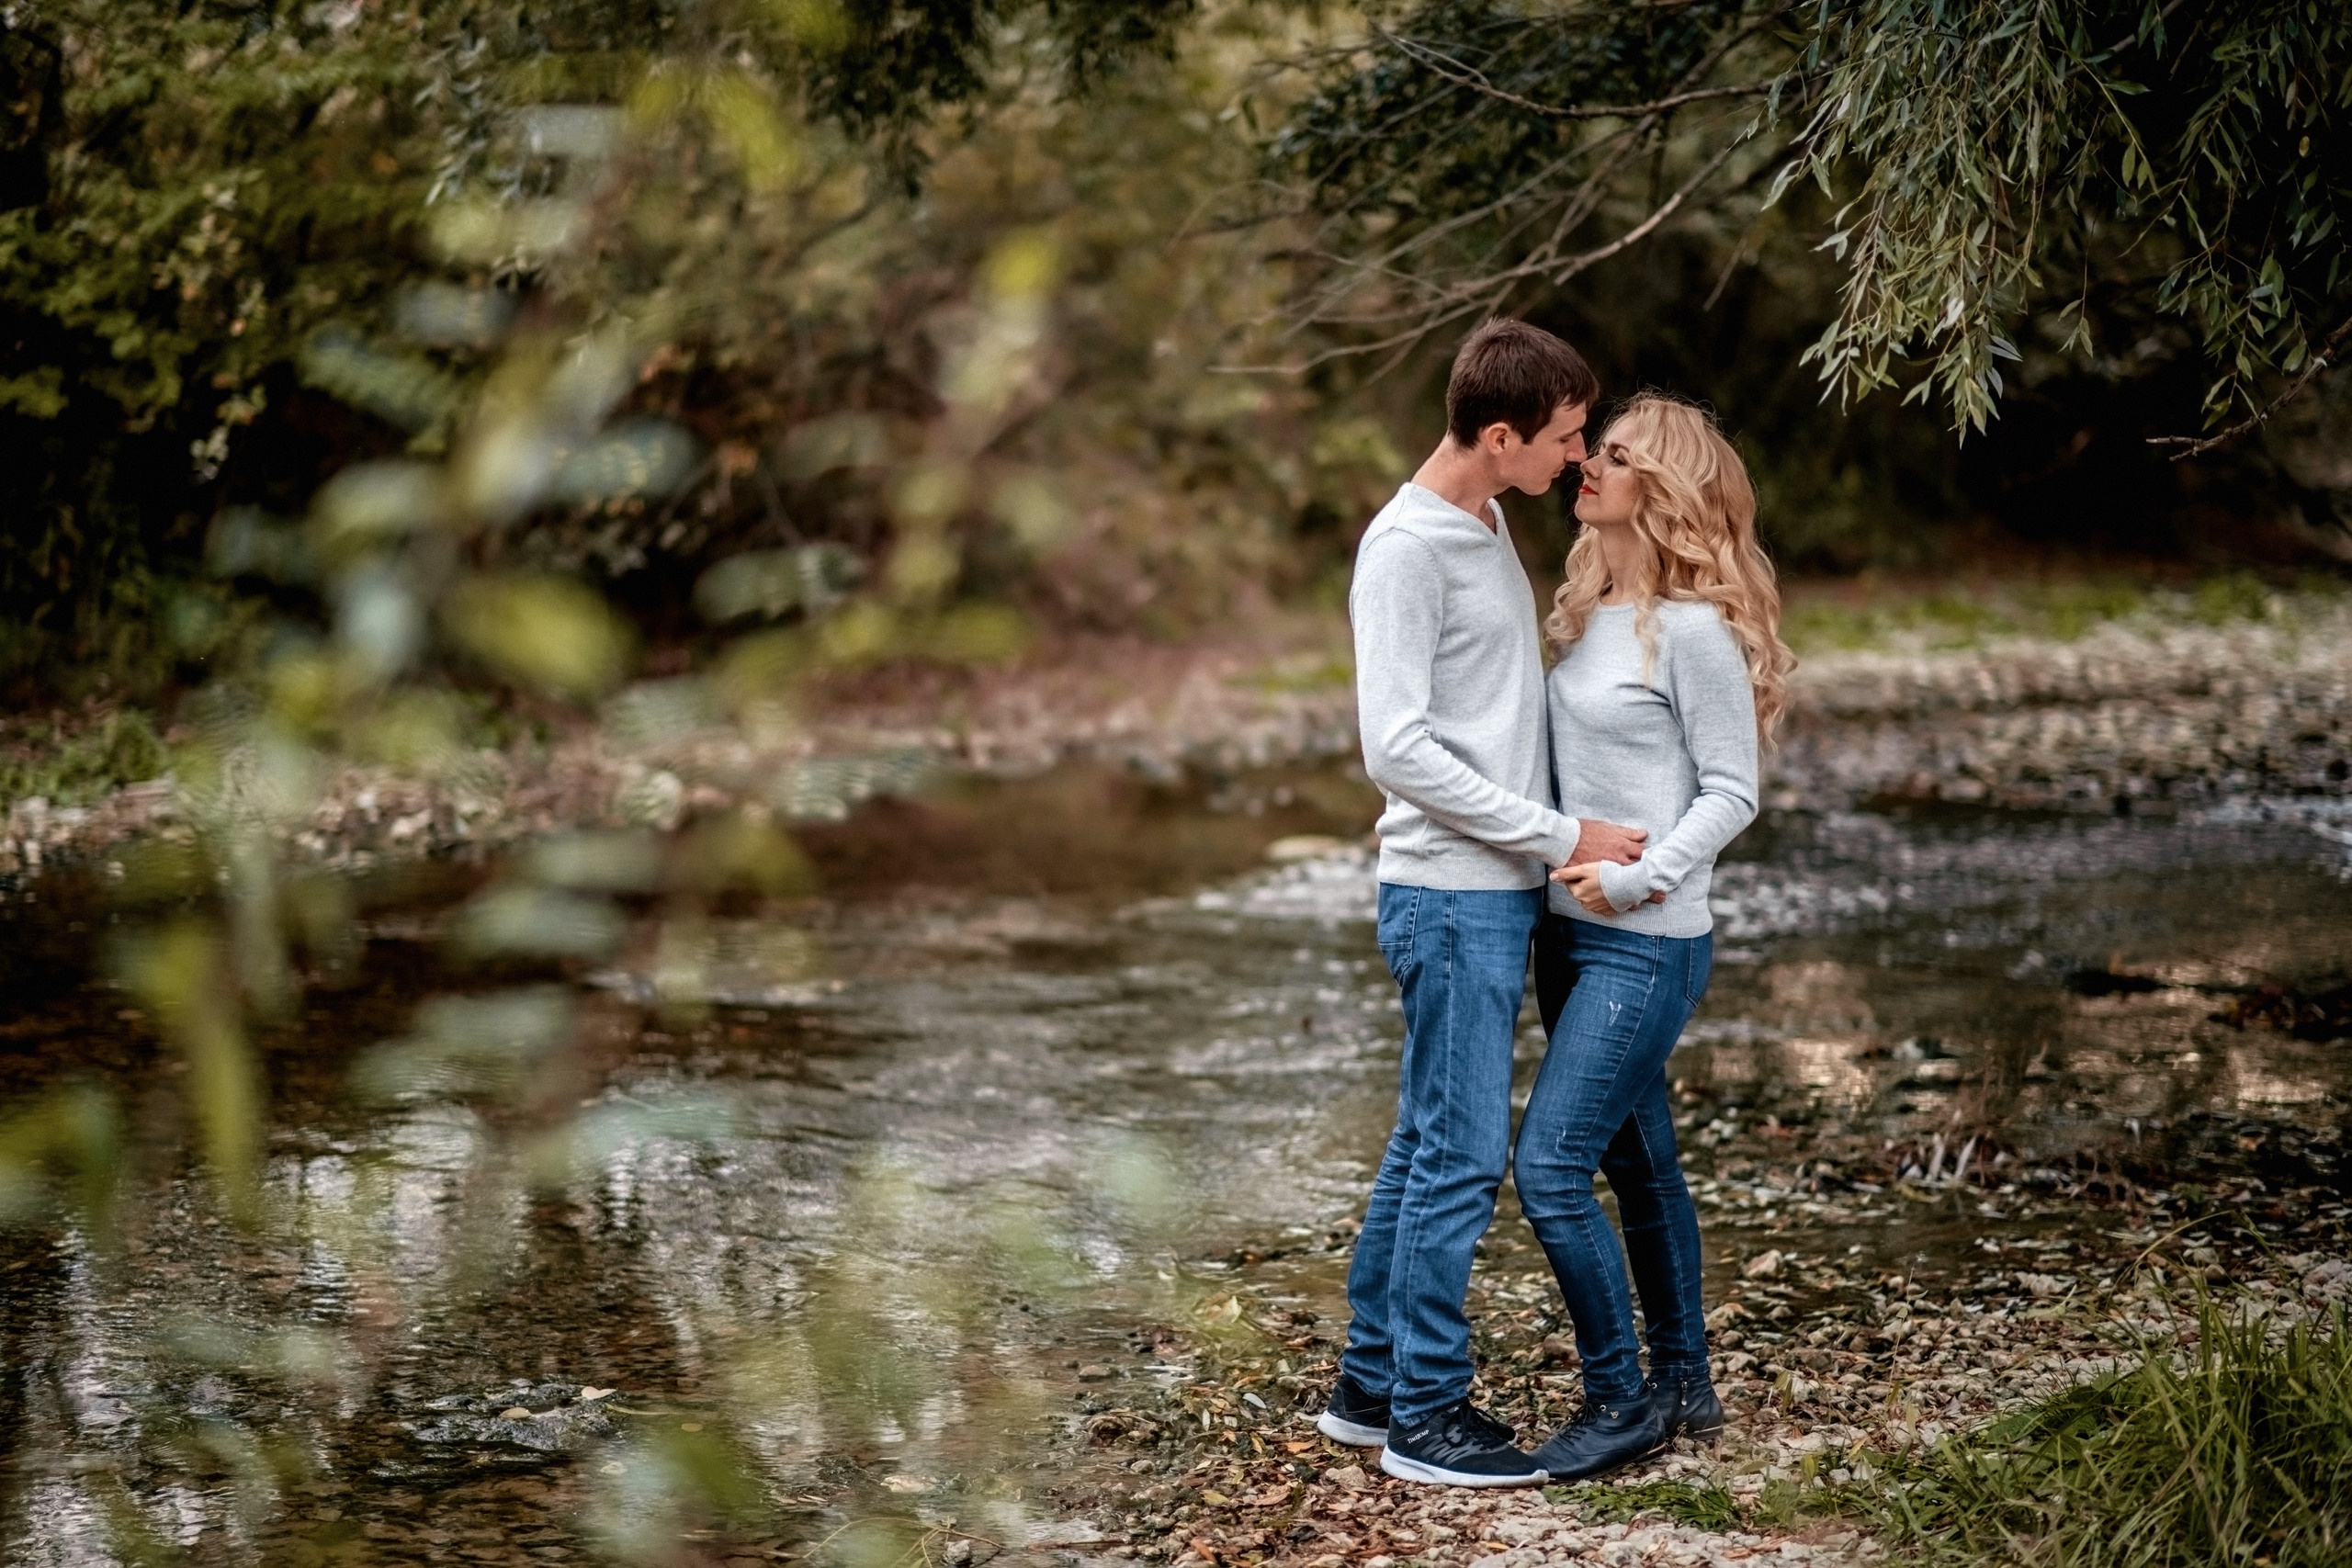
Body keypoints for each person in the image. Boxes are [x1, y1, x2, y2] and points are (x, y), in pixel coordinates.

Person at [1321, 319, 1652, 1488]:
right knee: (1459, 1158)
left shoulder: (1486, 514)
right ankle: (1426, 1418)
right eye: (1564, 438)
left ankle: (1369, 1387)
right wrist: (1562, 833)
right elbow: (1398, 749)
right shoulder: (1405, 550)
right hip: (1448, 896)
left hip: (1487, 893)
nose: (1577, 458)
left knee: (1425, 1142)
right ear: (1498, 434)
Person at [1513, 392, 1795, 1482]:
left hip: (1645, 942)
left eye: (1615, 457)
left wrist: (1638, 880)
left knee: (1549, 1169)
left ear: (1664, 494)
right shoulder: (1588, 614)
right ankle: (1685, 1383)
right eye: (1594, 452)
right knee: (1641, 1166)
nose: (1586, 465)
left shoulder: (1695, 634)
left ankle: (1617, 1398)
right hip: (1567, 940)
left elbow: (1732, 794)